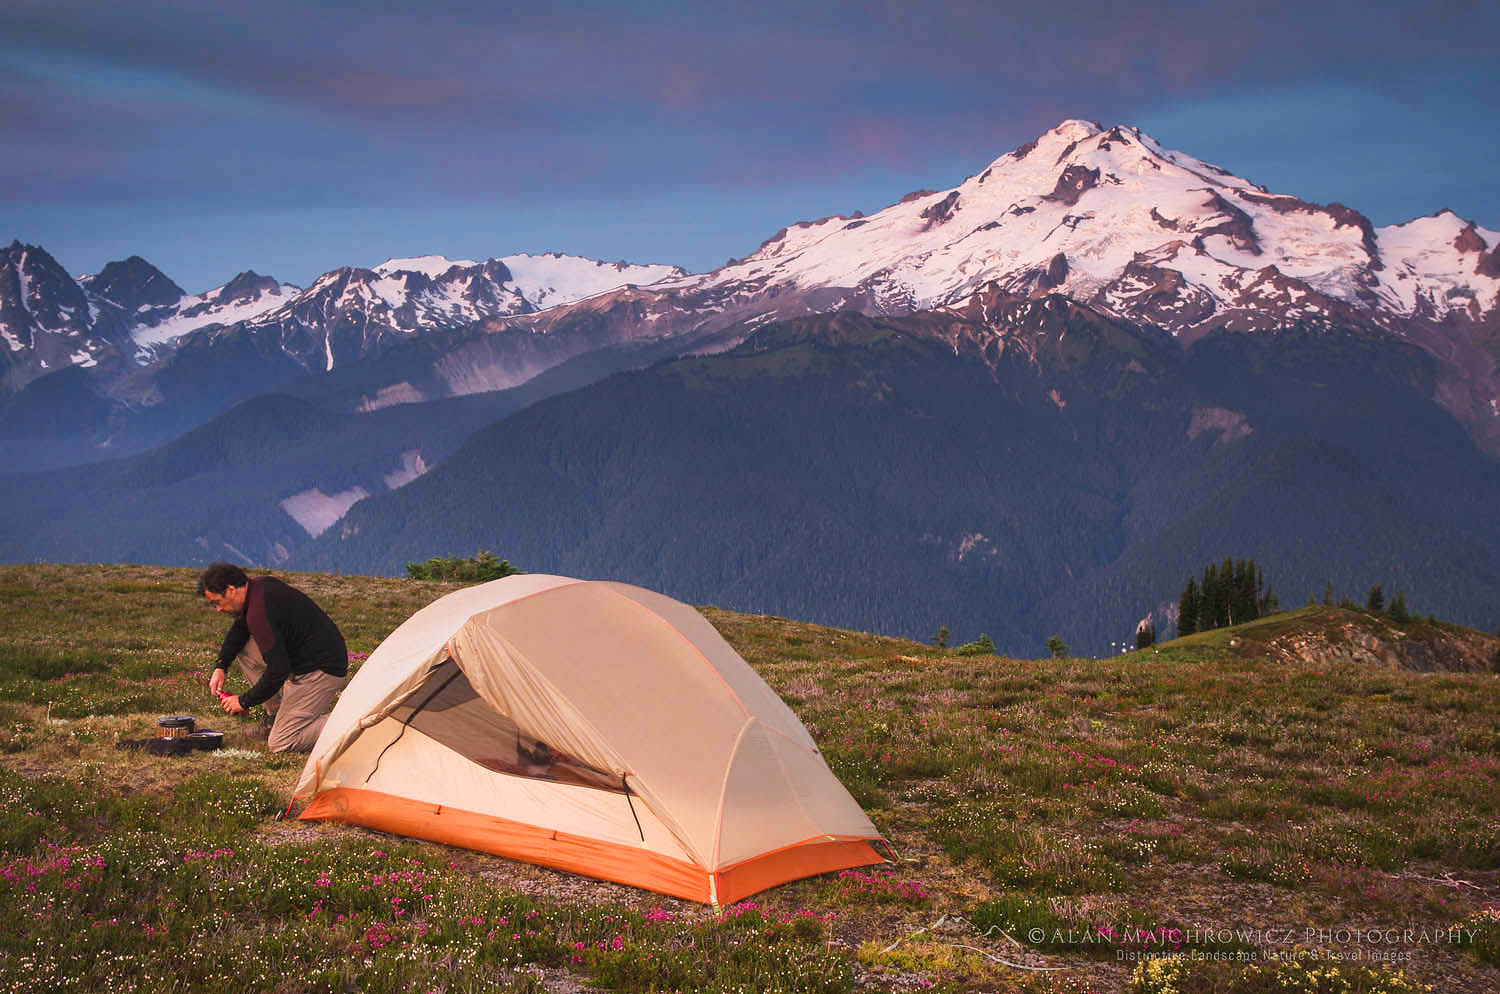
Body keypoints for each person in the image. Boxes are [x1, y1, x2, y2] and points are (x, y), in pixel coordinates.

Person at [198, 562, 348, 753]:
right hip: (307, 659)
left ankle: (350, 721)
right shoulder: (259, 587)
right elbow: (239, 630)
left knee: (281, 742)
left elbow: (278, 670)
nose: (218, 609)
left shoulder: (259, 613)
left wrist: (243, 701)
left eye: (217, 602)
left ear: (231, 590)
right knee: (244, 647)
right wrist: (221, 666)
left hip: (321, 671)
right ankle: (276, 717)